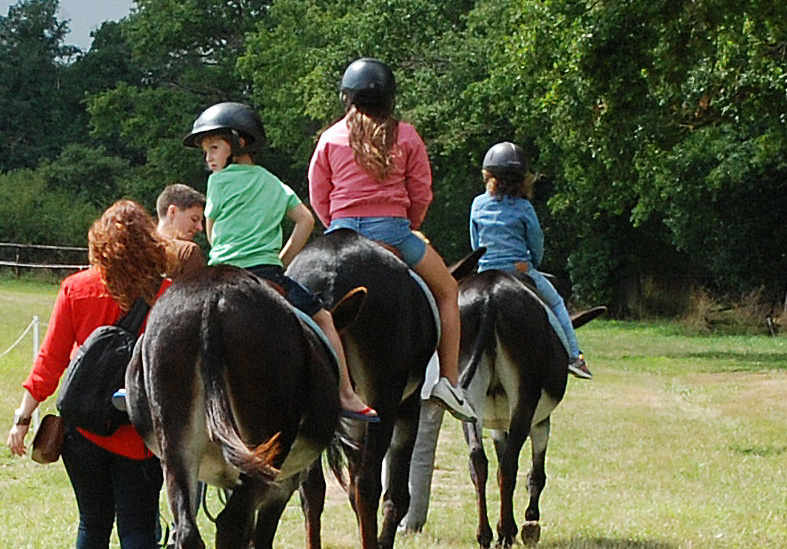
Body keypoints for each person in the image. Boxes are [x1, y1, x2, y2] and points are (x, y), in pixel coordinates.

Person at [9, 201, 173, 549]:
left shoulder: (76, 288)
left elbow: (50, 361)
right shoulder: (166, 295)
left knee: (92, 523)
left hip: (82, 428)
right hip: (137, 431)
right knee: (138, 524)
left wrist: (23, 418)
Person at [305, 59, 474, 418]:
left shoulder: (330, 138)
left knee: (294, 290)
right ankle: (449, 381)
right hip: (394, 231)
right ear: (389, 100)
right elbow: (421, 191)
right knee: (448, 291)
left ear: (346, 98)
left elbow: (319, 193)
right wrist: (409, 225)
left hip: (341, 229)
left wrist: (335, 226)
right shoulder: (407, 135)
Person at [187, 100, 374, 422]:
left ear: (238, 142)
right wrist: (282, 258)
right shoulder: (274, 183)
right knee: (326, 319)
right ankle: (346, 394)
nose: (209, 158)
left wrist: (222, 247)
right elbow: (305, 220)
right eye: (206, 151)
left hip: (221, 271)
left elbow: (211, 229)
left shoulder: (218, 182)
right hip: (266, 272)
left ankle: (136, 381)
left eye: (214, 148)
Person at [468, 140, 590, 379]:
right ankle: (575, 356)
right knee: (556, 304)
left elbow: (475, 244)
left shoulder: (477, 204)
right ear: (522, 179)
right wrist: (532, 263)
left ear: (488, 175)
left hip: (485, 270)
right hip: (518, 269)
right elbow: (536, 242)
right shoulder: (524, 207)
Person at [153, 181, 209, 288]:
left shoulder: (138, 248)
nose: (200, 228)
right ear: (172, 212)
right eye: (194, 219)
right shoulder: (187, 251)